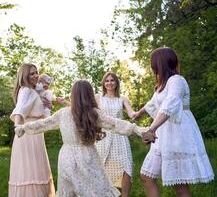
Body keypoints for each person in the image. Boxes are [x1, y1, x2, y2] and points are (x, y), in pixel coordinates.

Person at [15, 80, 156, 197]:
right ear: (89, 95)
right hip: (88, 155)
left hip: (66, 156)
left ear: (73, 95)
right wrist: (140, 130)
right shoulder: (94, 113)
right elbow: (116, 124)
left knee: (69, 191)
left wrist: (23, 128)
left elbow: (43, 124)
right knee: (94, 188)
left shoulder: (63, 113)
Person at [134, 47, 214, 197]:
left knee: (179, 186)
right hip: (163, 134)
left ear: (160, 64)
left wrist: (151, 129)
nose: (152, 68)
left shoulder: (177, 80)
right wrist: (138, 113)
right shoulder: (161, 85)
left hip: (178, 134)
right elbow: (152, 103)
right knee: (146, 176)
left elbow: (170, 104)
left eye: (153, 64)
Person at [9, 63, 55, 197]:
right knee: (31, 172)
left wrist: (47, 105)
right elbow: (20, 110)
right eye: (32, 73)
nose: (36, 76)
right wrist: (18, 127)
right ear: (24, 76)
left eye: (36, 72)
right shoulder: (26, 90)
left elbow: (40, 113)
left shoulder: (34, 91)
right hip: (28, 135)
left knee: (38, 171)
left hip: (36, 134)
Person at [94, 72, 138, 197]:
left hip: (120, 136)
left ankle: (125, 195)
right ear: (103, 84)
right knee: (101, 168)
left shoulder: (122, 99)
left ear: (117, 83)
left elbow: (131, 113)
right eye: (106, 81)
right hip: (103, 137)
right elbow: (84, 108)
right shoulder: (98, 98)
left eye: (112, 80)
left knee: (126, 166)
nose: (109, 83)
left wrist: (136, 114)